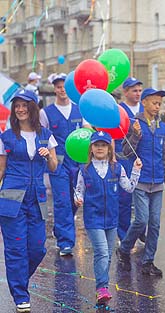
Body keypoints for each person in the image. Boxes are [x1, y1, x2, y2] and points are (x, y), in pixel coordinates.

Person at [0, 89, 58, 313]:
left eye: (25, 105)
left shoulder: (46, 135)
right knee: (16, 250)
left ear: (34, 108)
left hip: (37, 198)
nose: (21, 109)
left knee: (37, 248)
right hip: (11, 198)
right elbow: (2, 169)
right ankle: (21, 296)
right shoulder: (6, 137)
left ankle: (18, 280)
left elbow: (53, 167)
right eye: (17, 105)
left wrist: (48, 156)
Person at [74, 131, 141, 306]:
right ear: (91, 148)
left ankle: (102, 288)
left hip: (112, 219)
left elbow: (129, 188)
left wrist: (136, 170)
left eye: (103, 145)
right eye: (96, 145)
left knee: (108, 255)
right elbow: (79, 189)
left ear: (109, 148)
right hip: (93, 219)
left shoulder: (117, 168)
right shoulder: (84, 169)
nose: (100, 148)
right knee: (102, 252)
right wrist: (78, 198)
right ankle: (101, 287)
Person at [116, 88, 165, 276]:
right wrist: (135, 135)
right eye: (154, 103)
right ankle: (124, 249)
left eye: (160, 103)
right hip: (140, 180)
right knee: (141, 220)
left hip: (157, 183)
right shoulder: (135, 124)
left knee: (155, 223)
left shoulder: (163, 127)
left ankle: (148, 261)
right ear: (145, 102)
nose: (158, 106)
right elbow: (126, 152)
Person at [40, 73, 88, 256]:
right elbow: (43, 135)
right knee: (62, 202)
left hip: (77, 162)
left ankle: (60, 229)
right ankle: (66, 242)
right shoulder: (46, 112)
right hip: (57, 163)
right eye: (59, 87)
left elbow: (87, 130)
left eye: (65, 87)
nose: (62, 90)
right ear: (55, 89)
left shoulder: (80, 109)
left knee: (75, 200)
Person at [115, 77, 145, 243]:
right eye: (134, 90)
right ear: (125, 92)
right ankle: (123, 233)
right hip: (125, 158)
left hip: (143, 158)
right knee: (125, 198)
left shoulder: (145, 108)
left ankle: (141, 231)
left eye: (140, 90)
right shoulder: (120, 110)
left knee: (144, 196)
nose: (138, 94)